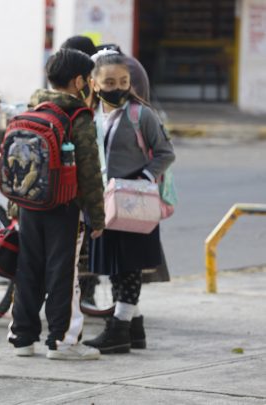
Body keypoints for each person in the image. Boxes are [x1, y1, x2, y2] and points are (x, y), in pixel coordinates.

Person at [7, 49, 105, 360]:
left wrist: (15, 206)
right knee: (63, 272)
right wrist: (98, 217)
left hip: (29, 203)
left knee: (28, 269)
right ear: (78, 81)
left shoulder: (33, 106)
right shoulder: (79, 115)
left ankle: (22, 337)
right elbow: (89, 172)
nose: (91, 85)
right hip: (64, 206)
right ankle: (62, 341)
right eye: (89, 80)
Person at [82, 51, 175, 354]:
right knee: (114, 266)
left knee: (130, 265)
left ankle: (119, 329)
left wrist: (143, 179)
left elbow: (165, 153)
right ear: (94, 84)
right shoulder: (89, 115)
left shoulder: (141, 115)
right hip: (104, 204)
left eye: (123, 81)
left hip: (133, 202)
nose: (117, 87)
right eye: (109, 81)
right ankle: (135, 329)